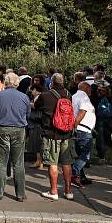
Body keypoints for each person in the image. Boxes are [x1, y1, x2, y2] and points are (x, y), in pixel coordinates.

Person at [0, 72, 30, 201]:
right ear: (17, 83)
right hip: (18, 128)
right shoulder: (24, 97)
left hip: (1, 127)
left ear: (5, 82)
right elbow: (27, 114)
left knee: (1, 162)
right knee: (18, 162)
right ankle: (20, 194)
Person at [35, 73, 76, 201]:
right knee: (67, 162)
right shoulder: (69, 94)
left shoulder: (45, 95)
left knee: (52, 162)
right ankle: (68, 191)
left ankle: (53, 191)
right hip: (67, 134)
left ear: (51, 82)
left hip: (51, 133)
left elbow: (37, 107)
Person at [71, 81, 95, 188]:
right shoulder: (84, 98)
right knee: (86, 154)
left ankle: (81, 177)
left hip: (78, 130)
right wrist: (75, 125)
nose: (91, 91)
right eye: (90, 89)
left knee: (79, 154)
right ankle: (74, 173)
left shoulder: (73, 97)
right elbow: (82, 112)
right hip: (83, 130)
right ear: (86, 88)